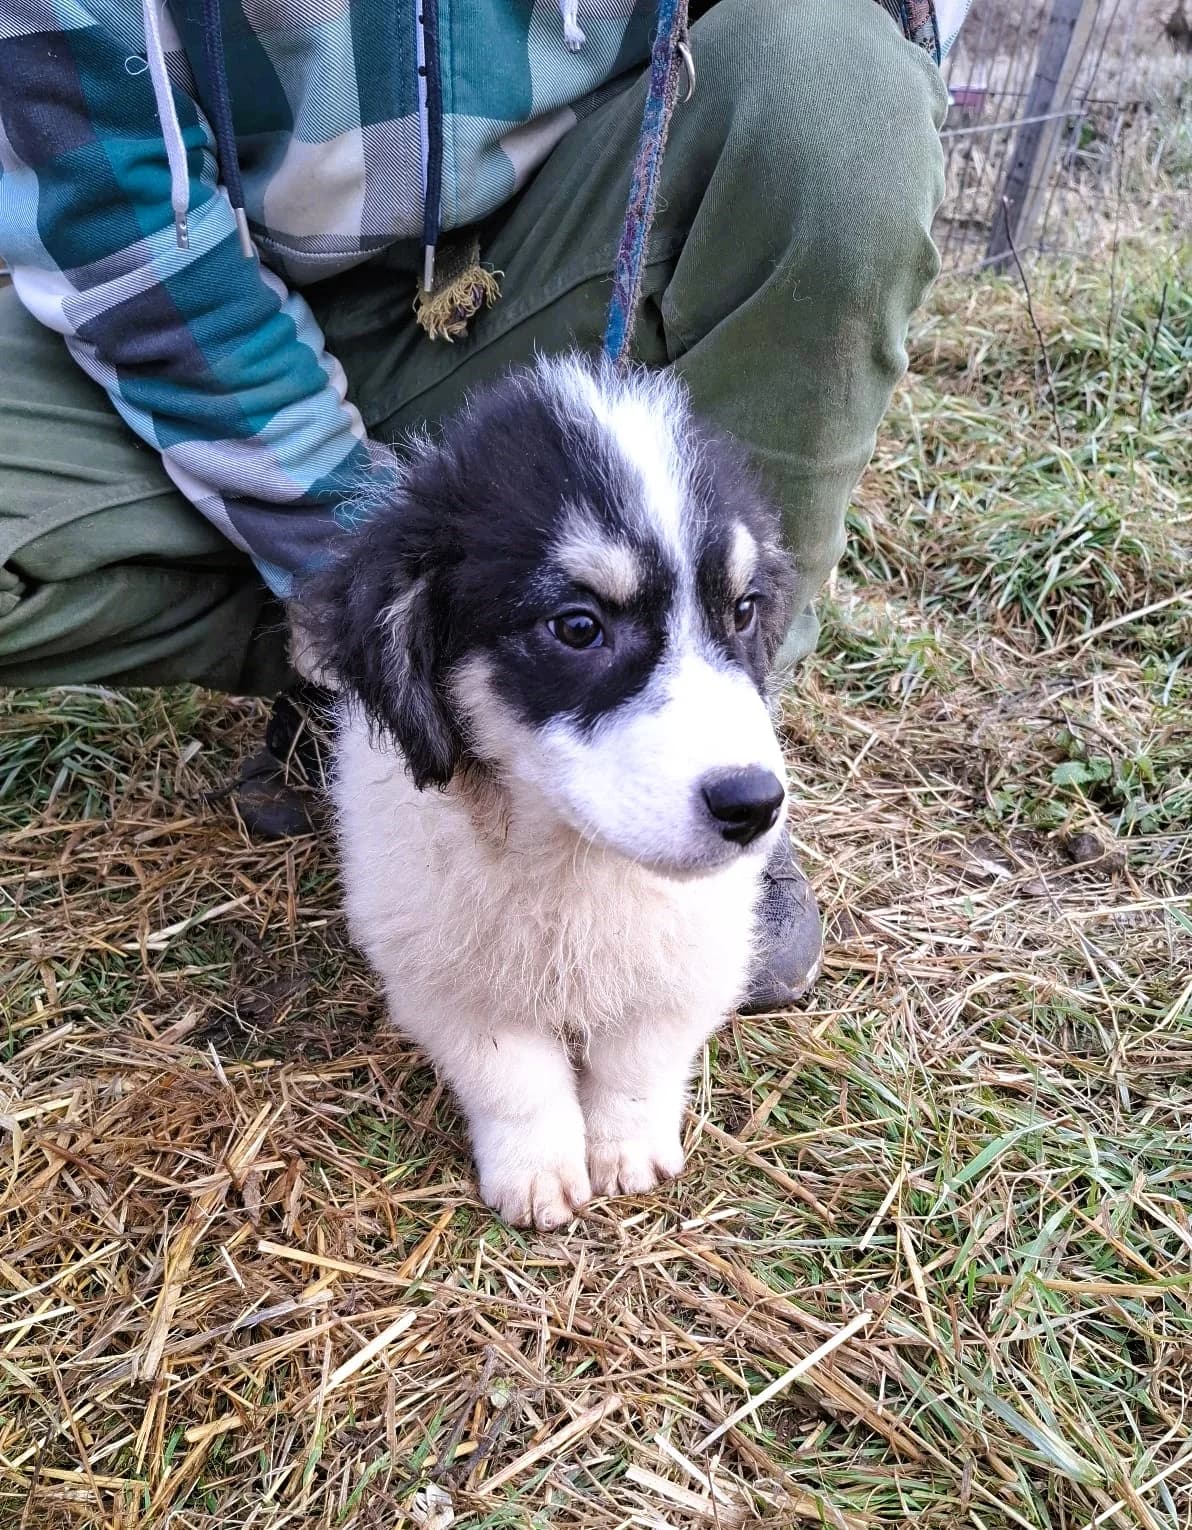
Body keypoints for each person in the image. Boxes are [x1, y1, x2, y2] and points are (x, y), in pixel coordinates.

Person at [0, 0, 967, 1009]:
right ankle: (398, 673)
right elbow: (106, 200)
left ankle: (696, 735)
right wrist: (365, 592)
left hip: (553, 256)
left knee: (837, 91)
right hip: (199, 292)